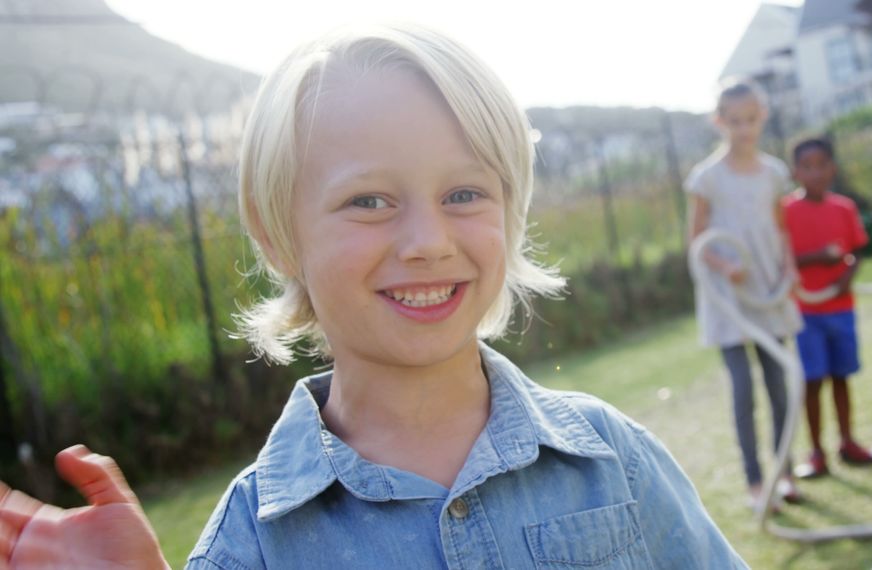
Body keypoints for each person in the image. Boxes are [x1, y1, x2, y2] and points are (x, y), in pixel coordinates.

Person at [0, 26, 747, 569]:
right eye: (369, 201)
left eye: (463, 192)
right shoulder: (251, 542)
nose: (427, 240)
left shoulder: (609, 455)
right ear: (275, 235)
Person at [685, 77, 803, 509]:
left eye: (751, 120)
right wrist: (724, 266)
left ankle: (785, 473)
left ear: (762, 117)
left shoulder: (774, 172)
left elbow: (780, 227)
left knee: (779, 386)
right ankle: (755, 483)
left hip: (768, 291)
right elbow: (695, 241)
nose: (744, 129)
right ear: (720, 122)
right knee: (742, 391)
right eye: (735, 121)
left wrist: (788, 268)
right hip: (728, 300)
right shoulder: (707, 179)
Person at [782, 138, 872, 479]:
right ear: (796, 172)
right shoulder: (785, 212)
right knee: (812, 381)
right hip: (806, 313)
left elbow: (856, 252)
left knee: (841, 376)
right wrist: (818, 258)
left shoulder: (844, 208)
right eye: (807, 166)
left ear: (832, 168)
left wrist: (846, 277)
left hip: (841, 308)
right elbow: (781, 260)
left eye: (821, 164)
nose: (815, 173)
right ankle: (816, 453)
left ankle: (848, 442)